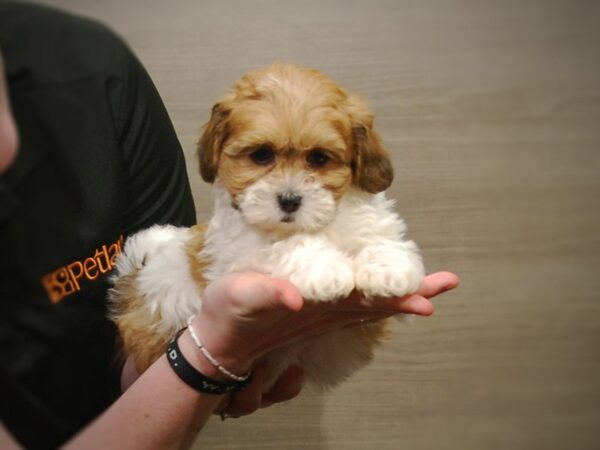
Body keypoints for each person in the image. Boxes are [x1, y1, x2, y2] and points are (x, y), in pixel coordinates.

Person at [0, 2, 459, 449]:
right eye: (262, 155)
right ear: (220, 150)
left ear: (359, 155)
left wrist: (201, 376)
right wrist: (206, 357)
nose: (289, 188)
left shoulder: (97, 66)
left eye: (319, 159)